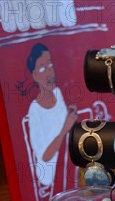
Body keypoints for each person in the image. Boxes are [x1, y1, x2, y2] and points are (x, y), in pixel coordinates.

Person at [25, 43, 77, 191]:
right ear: (35, 76)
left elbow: (61, 122)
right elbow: (45, 156)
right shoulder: (35, 111)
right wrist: (65, 128)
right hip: (50, 170)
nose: (49, 72)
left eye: (50, 65)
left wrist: (69, 116)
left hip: (66, 158)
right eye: (42, 69)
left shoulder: (57, 93)